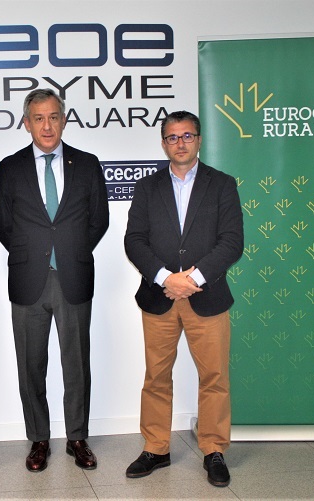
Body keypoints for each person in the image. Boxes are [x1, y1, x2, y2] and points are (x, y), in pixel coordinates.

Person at [123, 110, 243, 487]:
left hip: (207, 295)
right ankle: (156, 448)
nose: (180, 143)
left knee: (214, 377)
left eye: (187, 136)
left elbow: (232, 242)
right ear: (164, 143)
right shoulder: (147, 187)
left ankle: (214, 449)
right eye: (173, 137)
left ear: (199, 140)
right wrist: (166, 278)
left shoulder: (222, 184)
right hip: (159, 296)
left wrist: (192, 279)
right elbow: (134, 240)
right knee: (156, 377)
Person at [0, 89, 110, 472]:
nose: (47, 125)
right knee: (31, 365)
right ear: (27, 123)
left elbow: (99, 220)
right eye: (39, 118)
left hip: (74, 276)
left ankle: (77, 437)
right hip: (29, 279)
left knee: (77, 363)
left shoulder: (87, 164)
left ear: (64, 120)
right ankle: (39, 439)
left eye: (54, 117)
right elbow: (3, 224)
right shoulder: (11, 167)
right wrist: (34, 252)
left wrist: (72, 250)